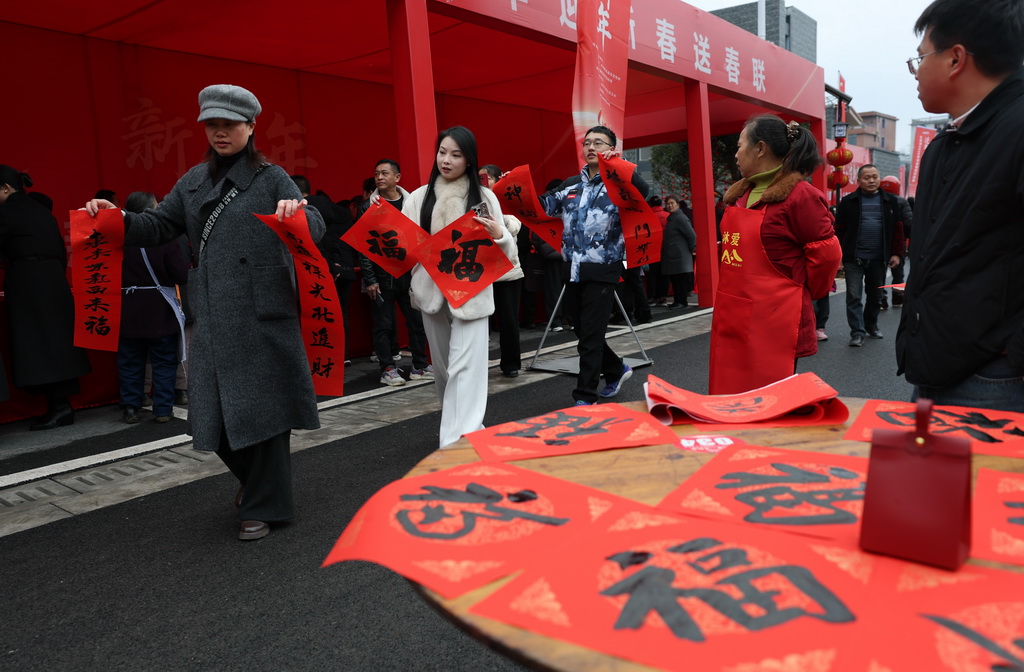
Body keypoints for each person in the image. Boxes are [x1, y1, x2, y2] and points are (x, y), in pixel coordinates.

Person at [85, 84, 325, 541]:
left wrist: (297, 213)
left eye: (230, 125)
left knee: (268, 411)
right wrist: (113, 217)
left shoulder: (272, 177)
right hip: (214, 312)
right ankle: (254, 485)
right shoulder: (192, 181)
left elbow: (313, 226)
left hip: (263, 310)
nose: (220, 133)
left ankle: (264, 505)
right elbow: (157, 225)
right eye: (212, 124)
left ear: (251, 127)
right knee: (212, 413)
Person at [897, 0, 1024, 411]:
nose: (915, 73)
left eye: (920, 58)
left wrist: (1013, 356)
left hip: (997, 380)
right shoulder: (943, 145)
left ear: (955, 59)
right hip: (938, 369)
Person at [711, 114, 841, 394]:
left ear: (760, 148)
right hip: (733, 311)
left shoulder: (800, 196)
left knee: (768, 401)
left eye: (739, 145)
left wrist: (798, 290)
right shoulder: (741, 194)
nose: (735, 154)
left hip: (775, 320)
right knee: (730, 393)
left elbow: (827, 254)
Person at [403, 126, 514, 448]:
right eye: (442, 152)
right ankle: (466, 429)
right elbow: (406, 248)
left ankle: (455, 442)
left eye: (456, 154)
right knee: (444, 372)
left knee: (468, 370)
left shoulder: (485, 197)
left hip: (472, 294)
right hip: (432, 295)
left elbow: (504, 253)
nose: (447, 160)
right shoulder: (419, 196)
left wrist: (500, 236)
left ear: (469, 160)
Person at [541, 125, 648, 405]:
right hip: (572, 269)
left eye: (598, 143)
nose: (590, 147)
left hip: (603, 269)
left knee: (590, 336)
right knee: (582, 328)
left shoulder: (619, 183)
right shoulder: (570, 186)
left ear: (611, 149)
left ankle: (585, 397)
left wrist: (617, 166)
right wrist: (503, 190)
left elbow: (643, 191)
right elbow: (541, 207)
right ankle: (615, 369)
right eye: (587, 142)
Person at [0, 166, 91, 429]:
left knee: (38, 345)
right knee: (57, 344)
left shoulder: (7, 211)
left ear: (6, 188)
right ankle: (62, 406)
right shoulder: (41, 210)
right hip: (54, 281)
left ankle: (59, 407)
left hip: (29, 282)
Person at [356, 159, 433, 386]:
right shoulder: (368, 206)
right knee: (383, 324)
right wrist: (369, 279)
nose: (379, 177)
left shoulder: (412, 203)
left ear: (397, 178)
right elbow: (364, 245)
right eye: (377, 173)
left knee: (417, 321)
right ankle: (388, 368)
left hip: (410, 274)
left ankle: (420, 365)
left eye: (385, 173)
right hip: (381, 277)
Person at [117, 191, 189, 424]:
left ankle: (130, 406)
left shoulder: (116, 237)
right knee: (164, 360)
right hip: (159, 307)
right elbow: (181, 274)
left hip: (127, 307)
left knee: (130, 360)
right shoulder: (164, 238)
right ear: (150, 211)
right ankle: (163, 409)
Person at [834, 164, 905, 347]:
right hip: (853, 257)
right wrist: (838, 255)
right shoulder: (849, 202)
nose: (871, 180)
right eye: (867, 177)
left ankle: (870, 325)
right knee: (853, 296)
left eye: (874, 176)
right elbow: (838, 231)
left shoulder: (890, 201)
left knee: (875, 296)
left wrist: (897, 253)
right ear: (858, 181)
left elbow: (898, 229)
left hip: (878, 258)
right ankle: (857, 332)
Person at [291, 175, 357, 366]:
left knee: (313, 314)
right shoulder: (337, 211)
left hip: (317, 270)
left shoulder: (302, 212)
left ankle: (318, 358)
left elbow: (315, 243)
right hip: (343, 268)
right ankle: (342, 355)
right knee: (340, 312)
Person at [479, 164, 524, 377]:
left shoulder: (506, 199)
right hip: (481, 272)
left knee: (508, 321)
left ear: (498, 179)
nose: (483, 182)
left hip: (508, 272)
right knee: (478, 322)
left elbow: (515, 226)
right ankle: (478, 366)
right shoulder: (474, 201)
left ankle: (511, 364)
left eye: (487, 178)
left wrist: (499, 224)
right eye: (480, 178)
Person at [879, 175, 913, 308]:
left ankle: (881, 299)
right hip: (898, 243)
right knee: (898, 273)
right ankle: (897, 298)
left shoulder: (877, 200)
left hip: (880, 243)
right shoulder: (902, 202)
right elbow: (909, 223)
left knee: (879, 273)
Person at [660, 194, 697, 309]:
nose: (670, 205)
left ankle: (681, 301)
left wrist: (692, 249)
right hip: (674, 255)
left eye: (672, 203)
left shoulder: (680, 218)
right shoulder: (672, 218)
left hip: (680, 255)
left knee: (679, 280)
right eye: (667, 203)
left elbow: (691, 235)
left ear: (677, 204)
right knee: (675, 280)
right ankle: (678, 301)